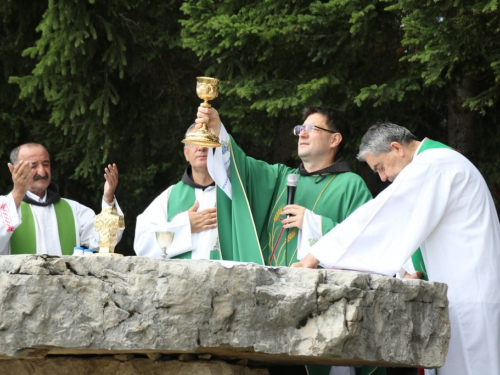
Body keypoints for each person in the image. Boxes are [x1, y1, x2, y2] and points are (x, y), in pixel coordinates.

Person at [293, 122, 500, 375]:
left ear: (396, 148)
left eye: (380, 167)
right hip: (466, 289)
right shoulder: (440, 162)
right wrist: (410, 270)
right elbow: (416, 228)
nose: (382, 177)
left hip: (469, 298)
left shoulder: (434, 164)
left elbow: (383, 217)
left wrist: (316, 256)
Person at [197, 107, 382, 375]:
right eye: (300, 129)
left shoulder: (351, 185)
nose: (302, 134)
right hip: (272, 314)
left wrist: (313, 222)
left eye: (312, 129)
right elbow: (239, 169)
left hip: (322, 319)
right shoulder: (280, 178)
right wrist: (217, 130)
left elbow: (368, 245)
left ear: (335, 139)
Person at [0, 142, 123, 255]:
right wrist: (17, 193)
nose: (42, 172)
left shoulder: (72, 209)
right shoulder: (5, 207)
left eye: (46, 164)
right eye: (33, 166)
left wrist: (108, 198)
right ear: (15, 170)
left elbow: (104, 242)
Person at [134, 124, 219, 260]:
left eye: (206, 142)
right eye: (195, 142)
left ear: (216, 150)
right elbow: (142, 245)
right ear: (186, 153)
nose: (201, 148)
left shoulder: (231, 195)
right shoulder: (169, 196)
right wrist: (185, 226)